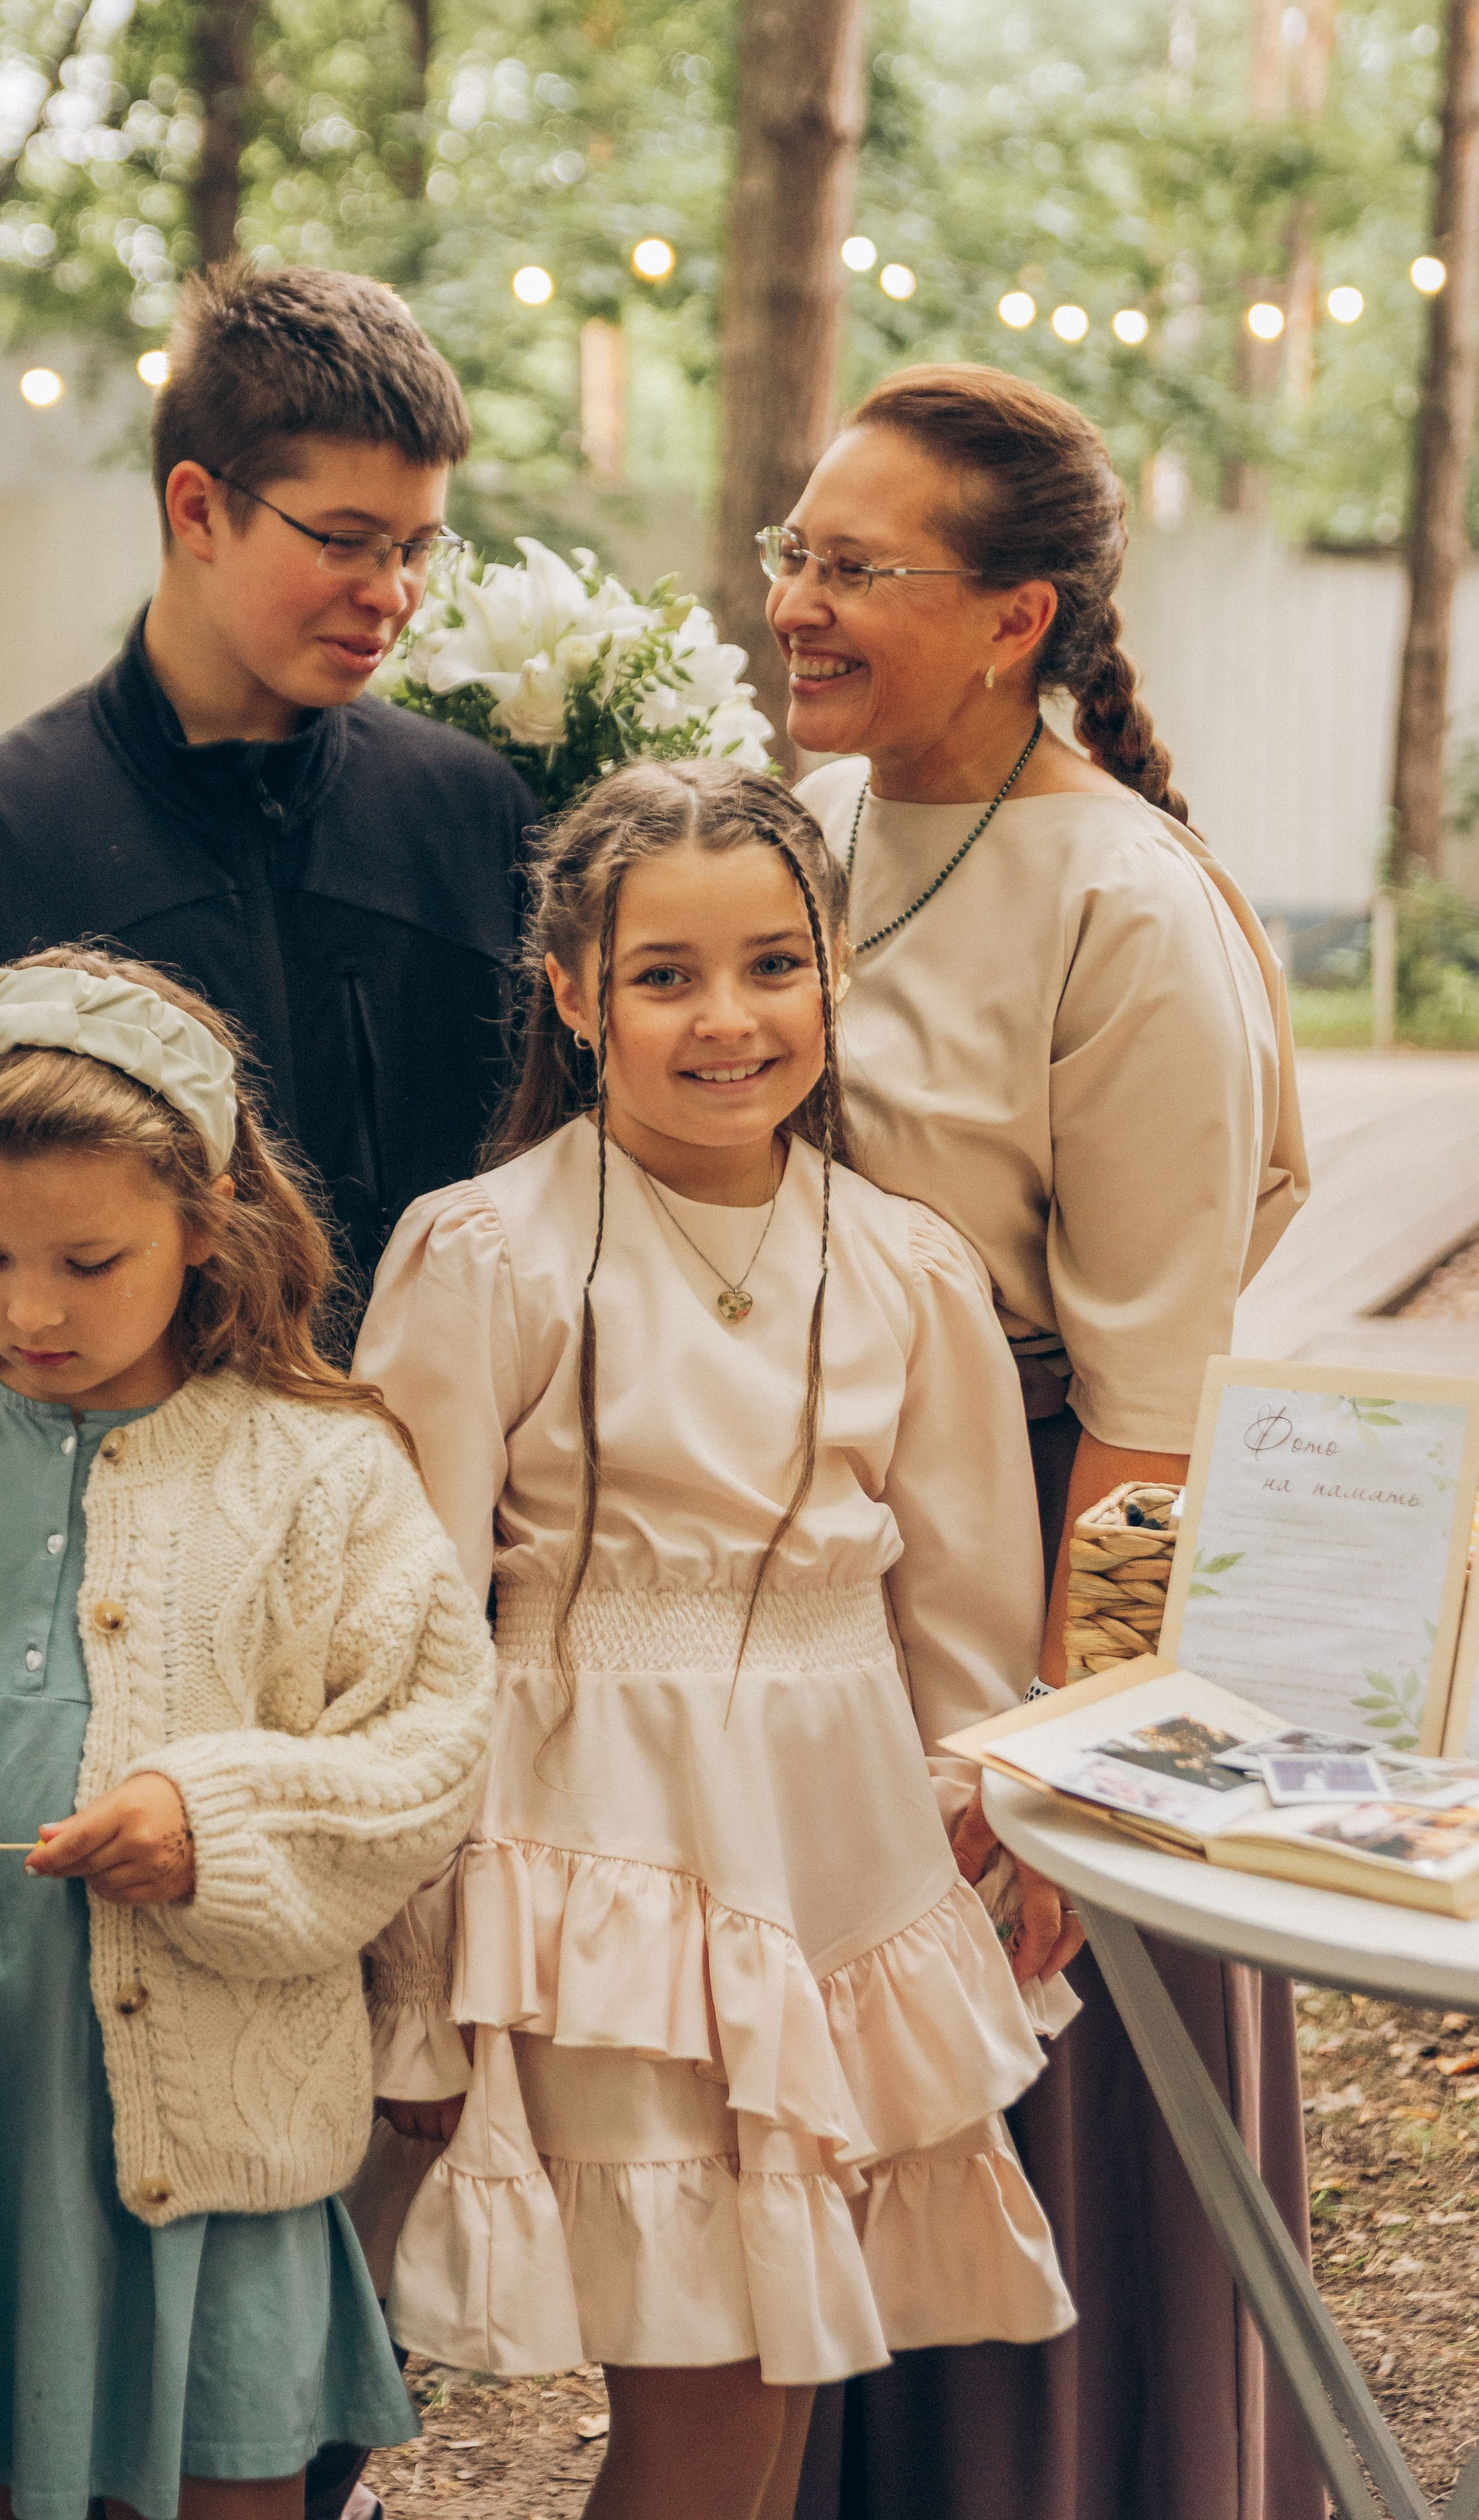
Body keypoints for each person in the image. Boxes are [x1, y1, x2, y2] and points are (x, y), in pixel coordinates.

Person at [350, 761, 1079, 2520]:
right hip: (597, 1864)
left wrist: (1008, 1806)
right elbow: (403, 1626)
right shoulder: (485, 1254)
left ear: (834, 970)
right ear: (576, 995)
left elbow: (968, 1609)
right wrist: (420, 1964)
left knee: (781, 2370)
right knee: (713, 2384)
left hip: (835, 1852)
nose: (725, 1017)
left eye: (772, 963)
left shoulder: (905, 1267)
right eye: (664, 975)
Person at [0, 947, 497, 2520]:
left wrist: (222, 1822)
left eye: (87, 1259)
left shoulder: (315, 1470)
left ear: (204, 1225)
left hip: (218, 2112)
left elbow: (429, 1736)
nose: (28, 1307)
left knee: (229, 2480)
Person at [774, 364, 1316, 2520]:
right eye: (793, 554)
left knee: (1035, 2147)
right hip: (820, 1593)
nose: (798, 603)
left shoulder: (1128, 908)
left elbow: (1157, 1422)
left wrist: (1054, 1773)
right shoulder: (803, 831)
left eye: (854, 567)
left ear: (1015, 619)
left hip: (1036, 1608)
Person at [0, 261, 537, 1330]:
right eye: (346, 538)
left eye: (417, 546)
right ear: (198, 507)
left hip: (448, 1471)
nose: (393, 591)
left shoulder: (471, 812)